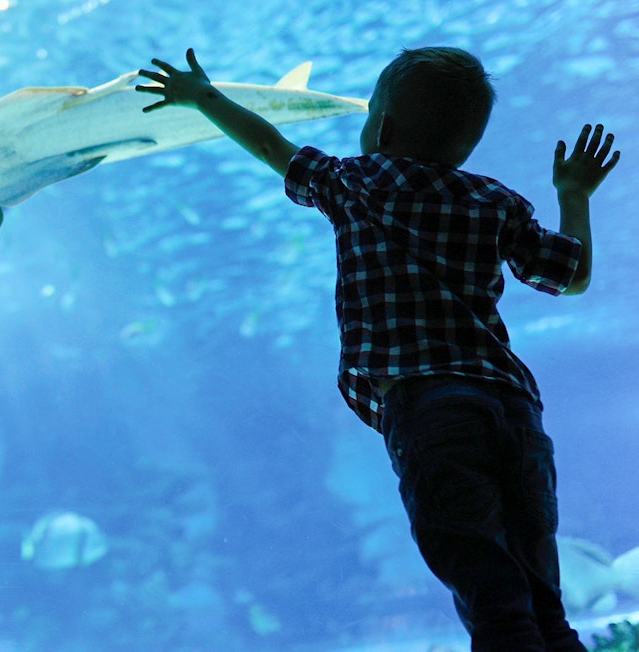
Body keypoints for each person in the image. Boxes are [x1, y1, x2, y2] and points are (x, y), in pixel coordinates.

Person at [136, 47, 620, 652]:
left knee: (491, 597)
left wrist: (203, 96)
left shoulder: (358, 183)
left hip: (432, 411)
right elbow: (570, 275)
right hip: (514, 411)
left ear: (382, 128)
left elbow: (270, 147)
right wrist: (574, 192)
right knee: (544, 602)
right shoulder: (497, 202)